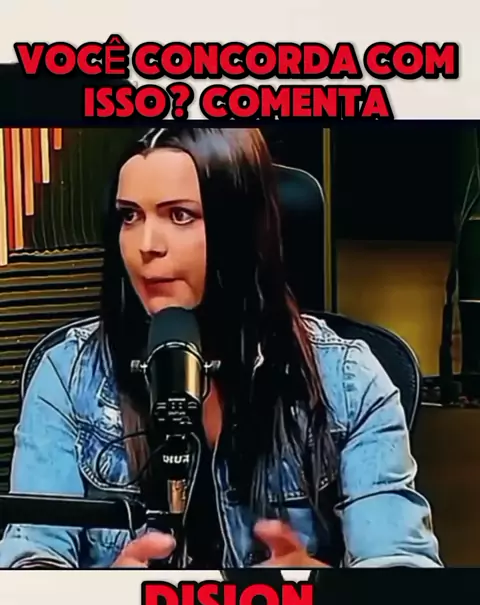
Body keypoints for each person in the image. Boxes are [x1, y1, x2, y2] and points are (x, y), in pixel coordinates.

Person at [0, 127, 442, 569]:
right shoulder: (67, 372)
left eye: (179, 215)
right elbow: (30, 559)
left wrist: (318, 589)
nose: (146, 246)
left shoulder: (348, 379)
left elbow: (403, 574)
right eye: (130, 216)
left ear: (242, 228)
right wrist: (98, 601)